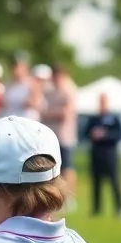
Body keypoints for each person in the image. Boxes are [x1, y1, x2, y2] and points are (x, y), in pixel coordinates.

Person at [40, 65, 79, 209]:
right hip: (52, 135)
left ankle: (69, 197)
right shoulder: (49, 90)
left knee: (67, 167)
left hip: (65, 135)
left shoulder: (69, 89)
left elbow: (64, 113)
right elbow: (41, 110)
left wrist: (50, 113)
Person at [83, 94, 121, 218]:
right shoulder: (93, 119)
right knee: (96, 182)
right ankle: (96, 209)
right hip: (96, 153)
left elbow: (120, 134)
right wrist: (93, 134)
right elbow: (85, 133)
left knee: (114, 181)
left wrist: (105, 135)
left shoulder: (114, 119)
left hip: (110, 153)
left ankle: (119, 208)